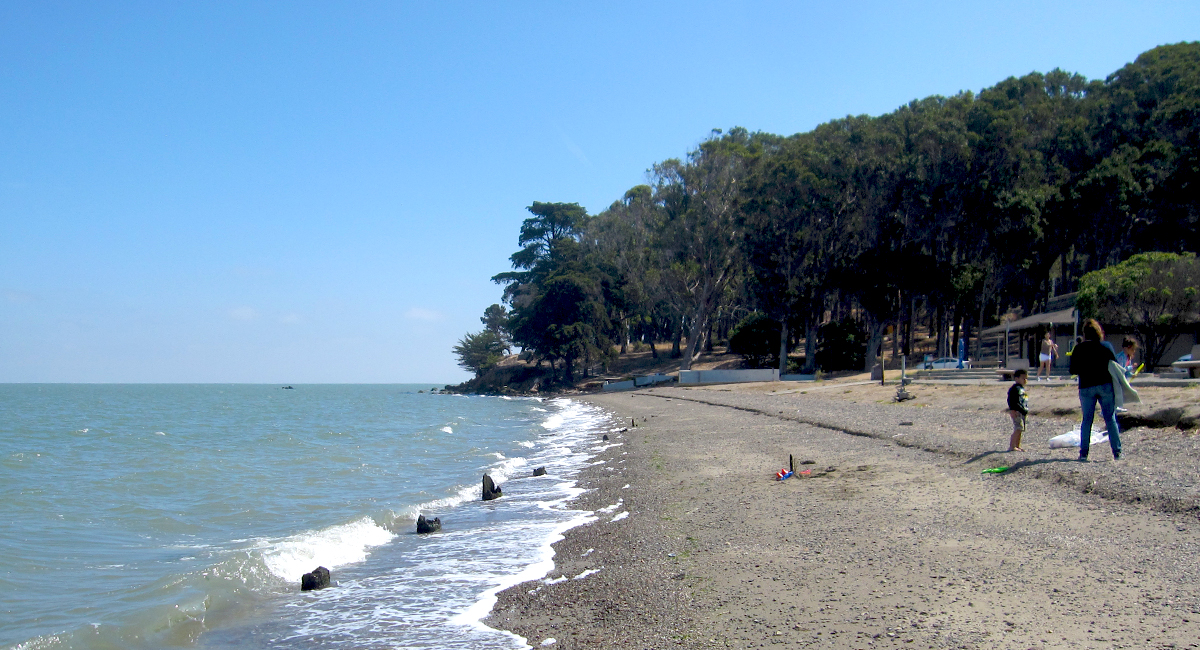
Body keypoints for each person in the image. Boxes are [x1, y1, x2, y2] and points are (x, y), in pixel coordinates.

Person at [1068, 319, 1121, 461]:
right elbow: (1115, 363)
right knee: (1110, 418)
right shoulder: (1106, 346)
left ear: (1084, 334)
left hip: (1086, 386)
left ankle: (1084, 453)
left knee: (1087, 420)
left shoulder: (1079, 348)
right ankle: (1117, 452)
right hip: (1105, 384)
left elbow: (1072, 370)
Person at [1006, 368, 1029, 452]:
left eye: (1026, 378)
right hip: (1016, 411)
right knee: (1018, 428)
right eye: (1023, 378)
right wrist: (1012, 410)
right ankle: (1012, 446)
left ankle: (1017, 445)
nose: (1025, 380)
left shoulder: (1021, 388)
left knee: (1021, 429)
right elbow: (1010, 400)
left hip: (1022, 411)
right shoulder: (1014, 389)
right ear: (1016, 379)